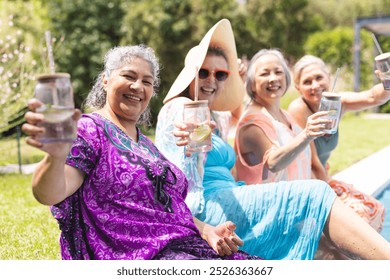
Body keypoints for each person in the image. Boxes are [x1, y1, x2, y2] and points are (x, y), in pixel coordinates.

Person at [155, 19, 390, 260]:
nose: (212, 80)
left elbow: (236, 113)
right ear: (189, 75)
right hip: (207, 206)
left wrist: (237, 76)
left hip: (231, 194)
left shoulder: (216, 116)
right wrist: (190, 146)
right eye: (203, 72)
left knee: (331, 245)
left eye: (221, 74)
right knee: (315, 195)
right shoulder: (181, 107)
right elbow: (178, 172)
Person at [21, 44, 262, 260]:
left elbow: (168, 205)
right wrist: (54, 157)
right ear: (105, 80)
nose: (138, 86)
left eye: (147, 81)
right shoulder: (89, 130)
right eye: (128, 76)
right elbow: (51, 194)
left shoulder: (146, 144)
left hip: (185, 246)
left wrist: (207, 230)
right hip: (139, 258)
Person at [234, 49, 386, 259]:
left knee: (368, 217)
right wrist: (307, 133)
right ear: (251, 84)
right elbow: (273, 162)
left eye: (278, 72)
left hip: (302, 203)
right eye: (264, 73)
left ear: (286, 79)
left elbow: (371, 97)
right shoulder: (253, 123)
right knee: (347, 250)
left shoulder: (283, 115)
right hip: (276, 214)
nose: (273, 78)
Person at [288, 55, 390, 229]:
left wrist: (387, 81)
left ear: (328, 77)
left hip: (323, 179)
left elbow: (374, 97)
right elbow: (313, 163)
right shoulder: (299, 109)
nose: (315, 85)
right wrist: (332, 200)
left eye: (319, 78)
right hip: (305, 184)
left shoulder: (337, 101)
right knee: (359, 219)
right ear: (298, 88)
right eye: (307, 82)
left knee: (375, 209)